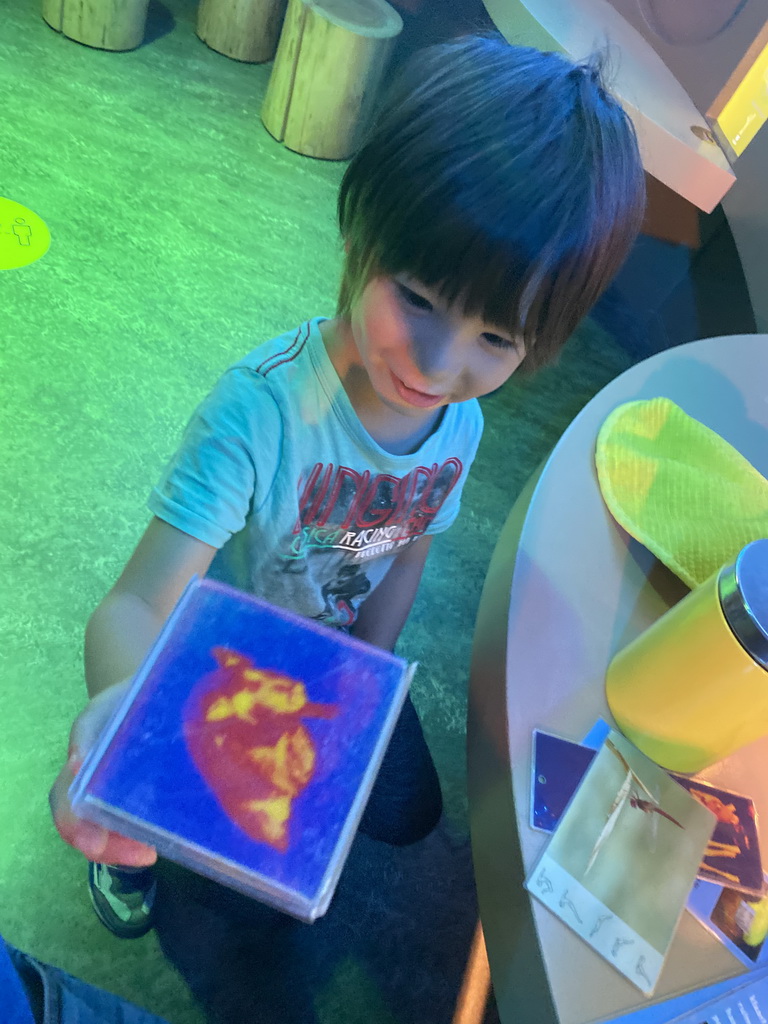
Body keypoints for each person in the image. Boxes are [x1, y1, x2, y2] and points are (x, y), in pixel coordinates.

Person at [49, 27, 645, 1012]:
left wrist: (365, 675)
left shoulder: (462, 422)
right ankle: (131, 863)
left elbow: (407, 549)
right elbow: (133, 605)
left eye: (496, 335)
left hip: (325, 663)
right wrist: (123, 711)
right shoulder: (258, 413)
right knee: (165, 839)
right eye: (415, 296)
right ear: (360, 226)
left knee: (404, 813)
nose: (441, 361)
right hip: (214, 666)